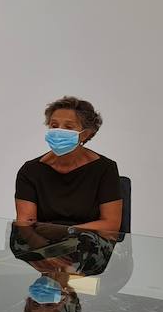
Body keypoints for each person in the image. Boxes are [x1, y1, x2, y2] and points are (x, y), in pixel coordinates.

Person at [14, 95, 123, 235]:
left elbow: (111, 224)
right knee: (19, 238)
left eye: (68, 127)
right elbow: (25, 223)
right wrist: (46, 255)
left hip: (87, 240)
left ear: (85, 134)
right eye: (54, 125)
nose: (59, 131)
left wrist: (67, 231)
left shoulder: (105, 169)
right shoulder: (30, 171)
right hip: (42, 242)